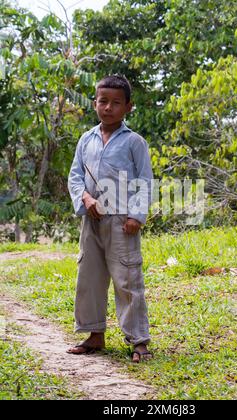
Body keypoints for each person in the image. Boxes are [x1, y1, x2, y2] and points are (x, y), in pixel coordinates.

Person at [67, 75, 153, 362]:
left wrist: (136, 216)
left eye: (116, 103)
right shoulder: (86, 140)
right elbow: (75, 175)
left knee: (127, 279)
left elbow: (144, 180)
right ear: (95, 103)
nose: (108, 108)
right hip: (91, 219)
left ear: (128, 107)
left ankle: (138, 340)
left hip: (121, 223)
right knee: (89, 277)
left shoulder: (134, 142)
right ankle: (94, 335)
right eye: (103, 101)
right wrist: (85, 198)